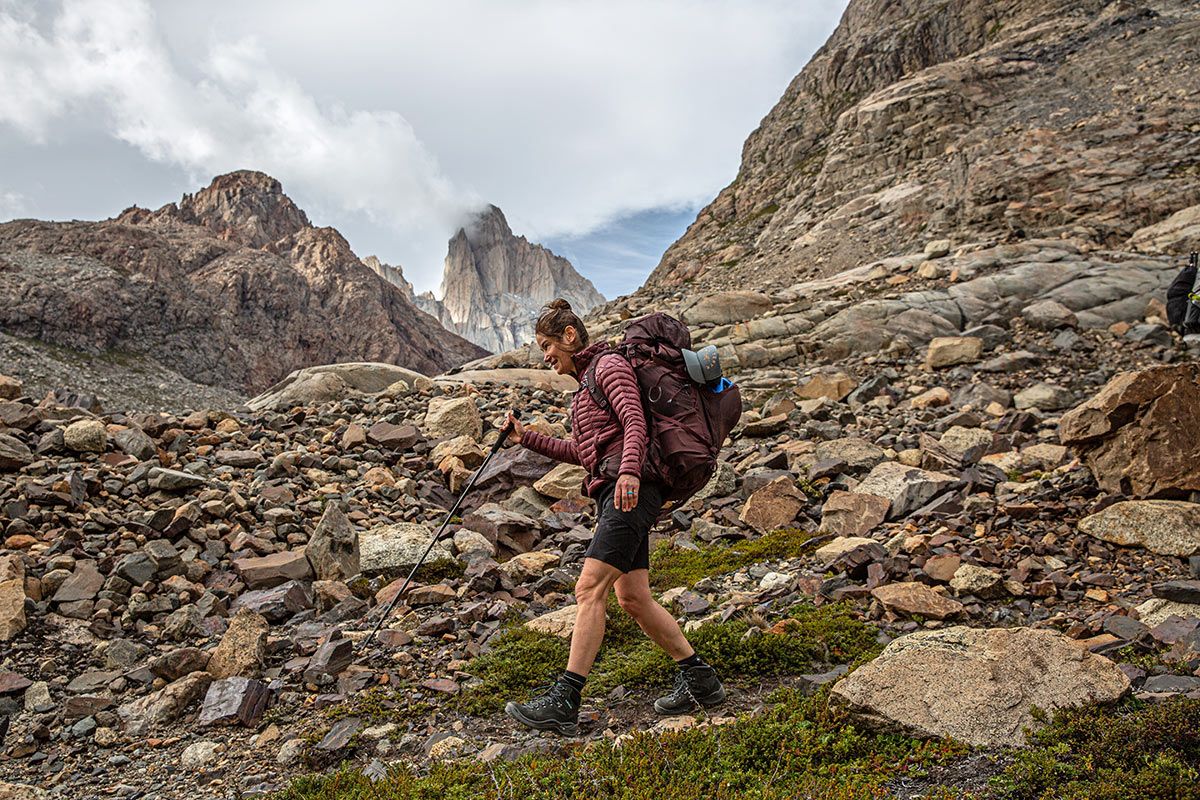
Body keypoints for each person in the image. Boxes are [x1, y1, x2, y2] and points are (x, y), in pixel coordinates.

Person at [503, 299, 725, 736]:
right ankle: (701, 681)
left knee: (589, 589)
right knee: (633, 599)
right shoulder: (585, 386)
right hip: (618, 489)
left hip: (631, 489)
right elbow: (583, 453)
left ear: (570, 335)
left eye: (548, 344)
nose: (545, 356)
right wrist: (524, 438)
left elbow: (634, 418)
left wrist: (627, 471)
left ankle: (565, 700)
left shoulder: (607, 366)